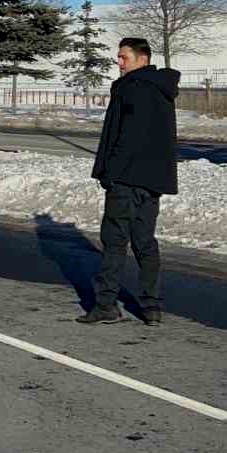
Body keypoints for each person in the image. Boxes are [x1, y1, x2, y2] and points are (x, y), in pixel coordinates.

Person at [78, 37, 180, 326]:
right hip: (152, 181)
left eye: (124, 57)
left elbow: (126, 135)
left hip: (126, 178)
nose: (119, 62)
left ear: (141, 59)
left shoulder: (132, 87)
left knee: (114, 242)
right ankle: (152, 307)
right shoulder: (163, 88)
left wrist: (110, 172)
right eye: (119, 57)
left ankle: (106, 305)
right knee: (145, 242)